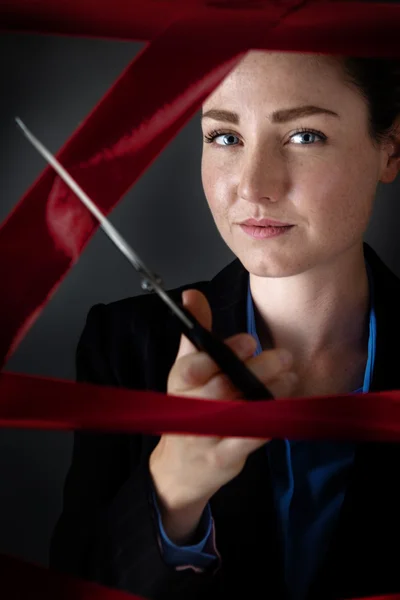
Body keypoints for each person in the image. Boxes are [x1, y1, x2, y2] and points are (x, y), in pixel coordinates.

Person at [49, 51, 400, 600]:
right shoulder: (124, 347)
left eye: (304, 136)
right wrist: (172, 488)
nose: (254, 186)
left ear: (391, 148)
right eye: (225, 138)